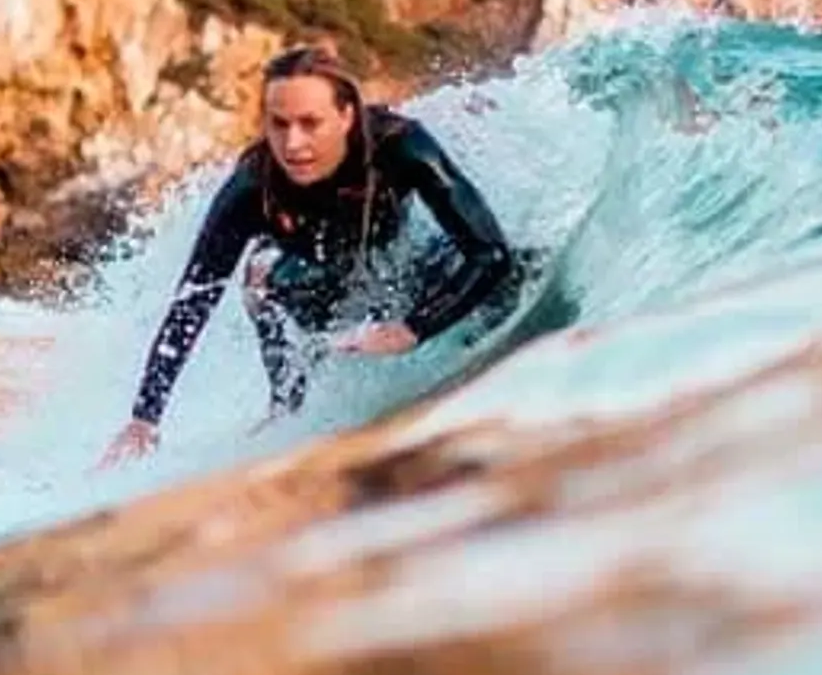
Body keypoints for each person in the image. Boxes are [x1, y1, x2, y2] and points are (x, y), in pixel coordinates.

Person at [101, 42, 523, 464]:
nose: (293, 144)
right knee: (262, 281)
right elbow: (192, 302)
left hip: (393, 261)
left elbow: (490, 253)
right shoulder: (251, 188)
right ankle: (286, 407)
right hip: (310, 281)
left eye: (310, 123)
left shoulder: (399, 146)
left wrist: (413, 328)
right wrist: (144, 418)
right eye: (279, 124)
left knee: (512, 275)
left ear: (346, 116)